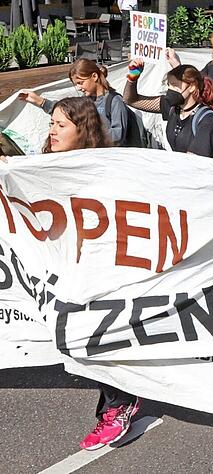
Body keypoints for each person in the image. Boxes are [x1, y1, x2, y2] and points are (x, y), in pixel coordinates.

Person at [4, 97, 143, 451]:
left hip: (99, 268)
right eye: (51, 124)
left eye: (60, 125)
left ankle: (119, 405)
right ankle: (122, 397)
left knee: (91, 335)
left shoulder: (105, 167)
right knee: (75, 339)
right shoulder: (40, 165)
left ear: (83, 130)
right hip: (61, 269)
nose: (51, 131)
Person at [123, 59, 213, 160]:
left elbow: (194, 162)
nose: (170, 90)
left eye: (175, 85)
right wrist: (133, 77)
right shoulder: (173, 108)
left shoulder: (206, 120)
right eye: (169, 85)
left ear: (192, 87)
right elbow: (130, 100)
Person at [18, 59, 131, 147]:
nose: (78, 87)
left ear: (94, 76)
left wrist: (89, 136)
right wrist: (38, 100)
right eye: (76, 84)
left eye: (81, 82)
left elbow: (118, 135)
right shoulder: (86, 100)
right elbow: (66, 112)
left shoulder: (114, 101)